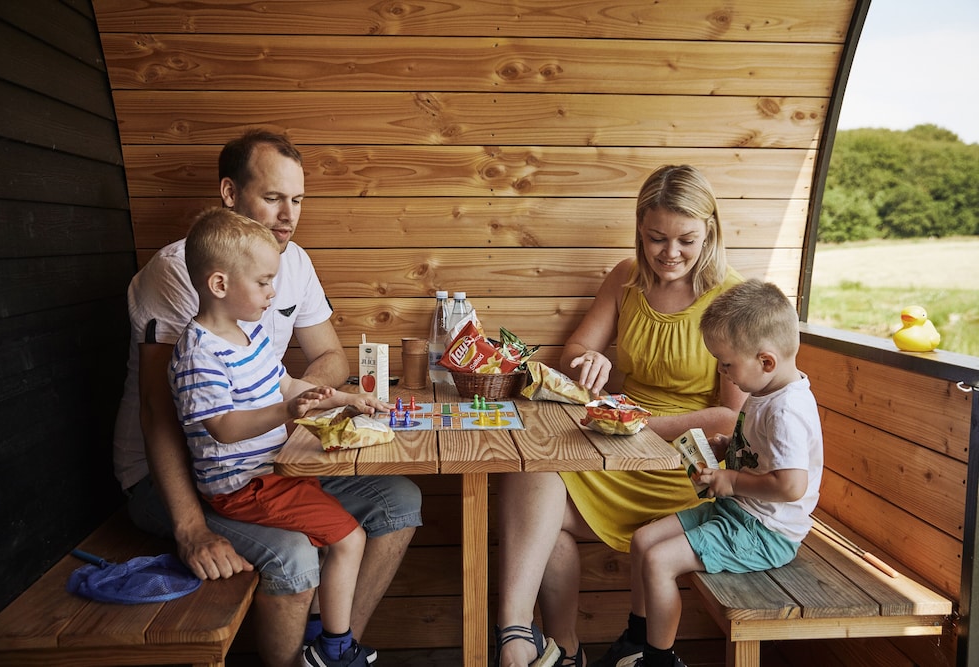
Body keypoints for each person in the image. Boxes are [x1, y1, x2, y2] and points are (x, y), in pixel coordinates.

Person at [112, 129, 422, 667]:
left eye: (297, 199)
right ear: (230, 193)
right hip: (182, 475)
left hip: (264, 457)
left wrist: (318, 401)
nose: (288, 215)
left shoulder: (290, 262)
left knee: (400, 500)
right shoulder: (179, 273)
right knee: (296, 556)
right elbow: (159, 413)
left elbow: (330, 357)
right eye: (273, 197)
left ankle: (331, 649)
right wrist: (191, 530)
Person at [494, 165, 748, 667]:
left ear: (710, 232)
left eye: (686, 240)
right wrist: (590, 361)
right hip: (618, 449)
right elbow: (574, 352)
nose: (669, 253)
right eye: (656, 238)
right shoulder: (625, 279)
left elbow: (730, 418)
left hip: (686, 467)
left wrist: (642, 424)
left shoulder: (733, 300)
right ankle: (536, 641)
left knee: (541, 519)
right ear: (640, 230)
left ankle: (553, 650)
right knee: (533, 478)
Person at [169, 209, 385, 666]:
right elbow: (222, 427)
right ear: (220, 284)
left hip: (273, 472)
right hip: (243, 486)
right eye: (263, 282)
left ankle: (317, 636)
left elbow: (286, 385)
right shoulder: (199, 353)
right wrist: (285, 412)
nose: (272, 292)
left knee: (341, 532)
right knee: (349, 538)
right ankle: (334, 650)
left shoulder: (249, 334)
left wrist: (345, 399)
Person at [622, 279, 823, 667]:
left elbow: (791, 485)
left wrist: (731, 480)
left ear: (766, 361)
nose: (721, 370)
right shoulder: (765, 390)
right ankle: (635, 639)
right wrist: (727, 448)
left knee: (660, 561)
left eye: (727, 363)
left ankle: (659, 661)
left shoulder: (787, 410)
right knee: (643, 541)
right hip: (739, 513)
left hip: (766, 532)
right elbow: (763, 454)